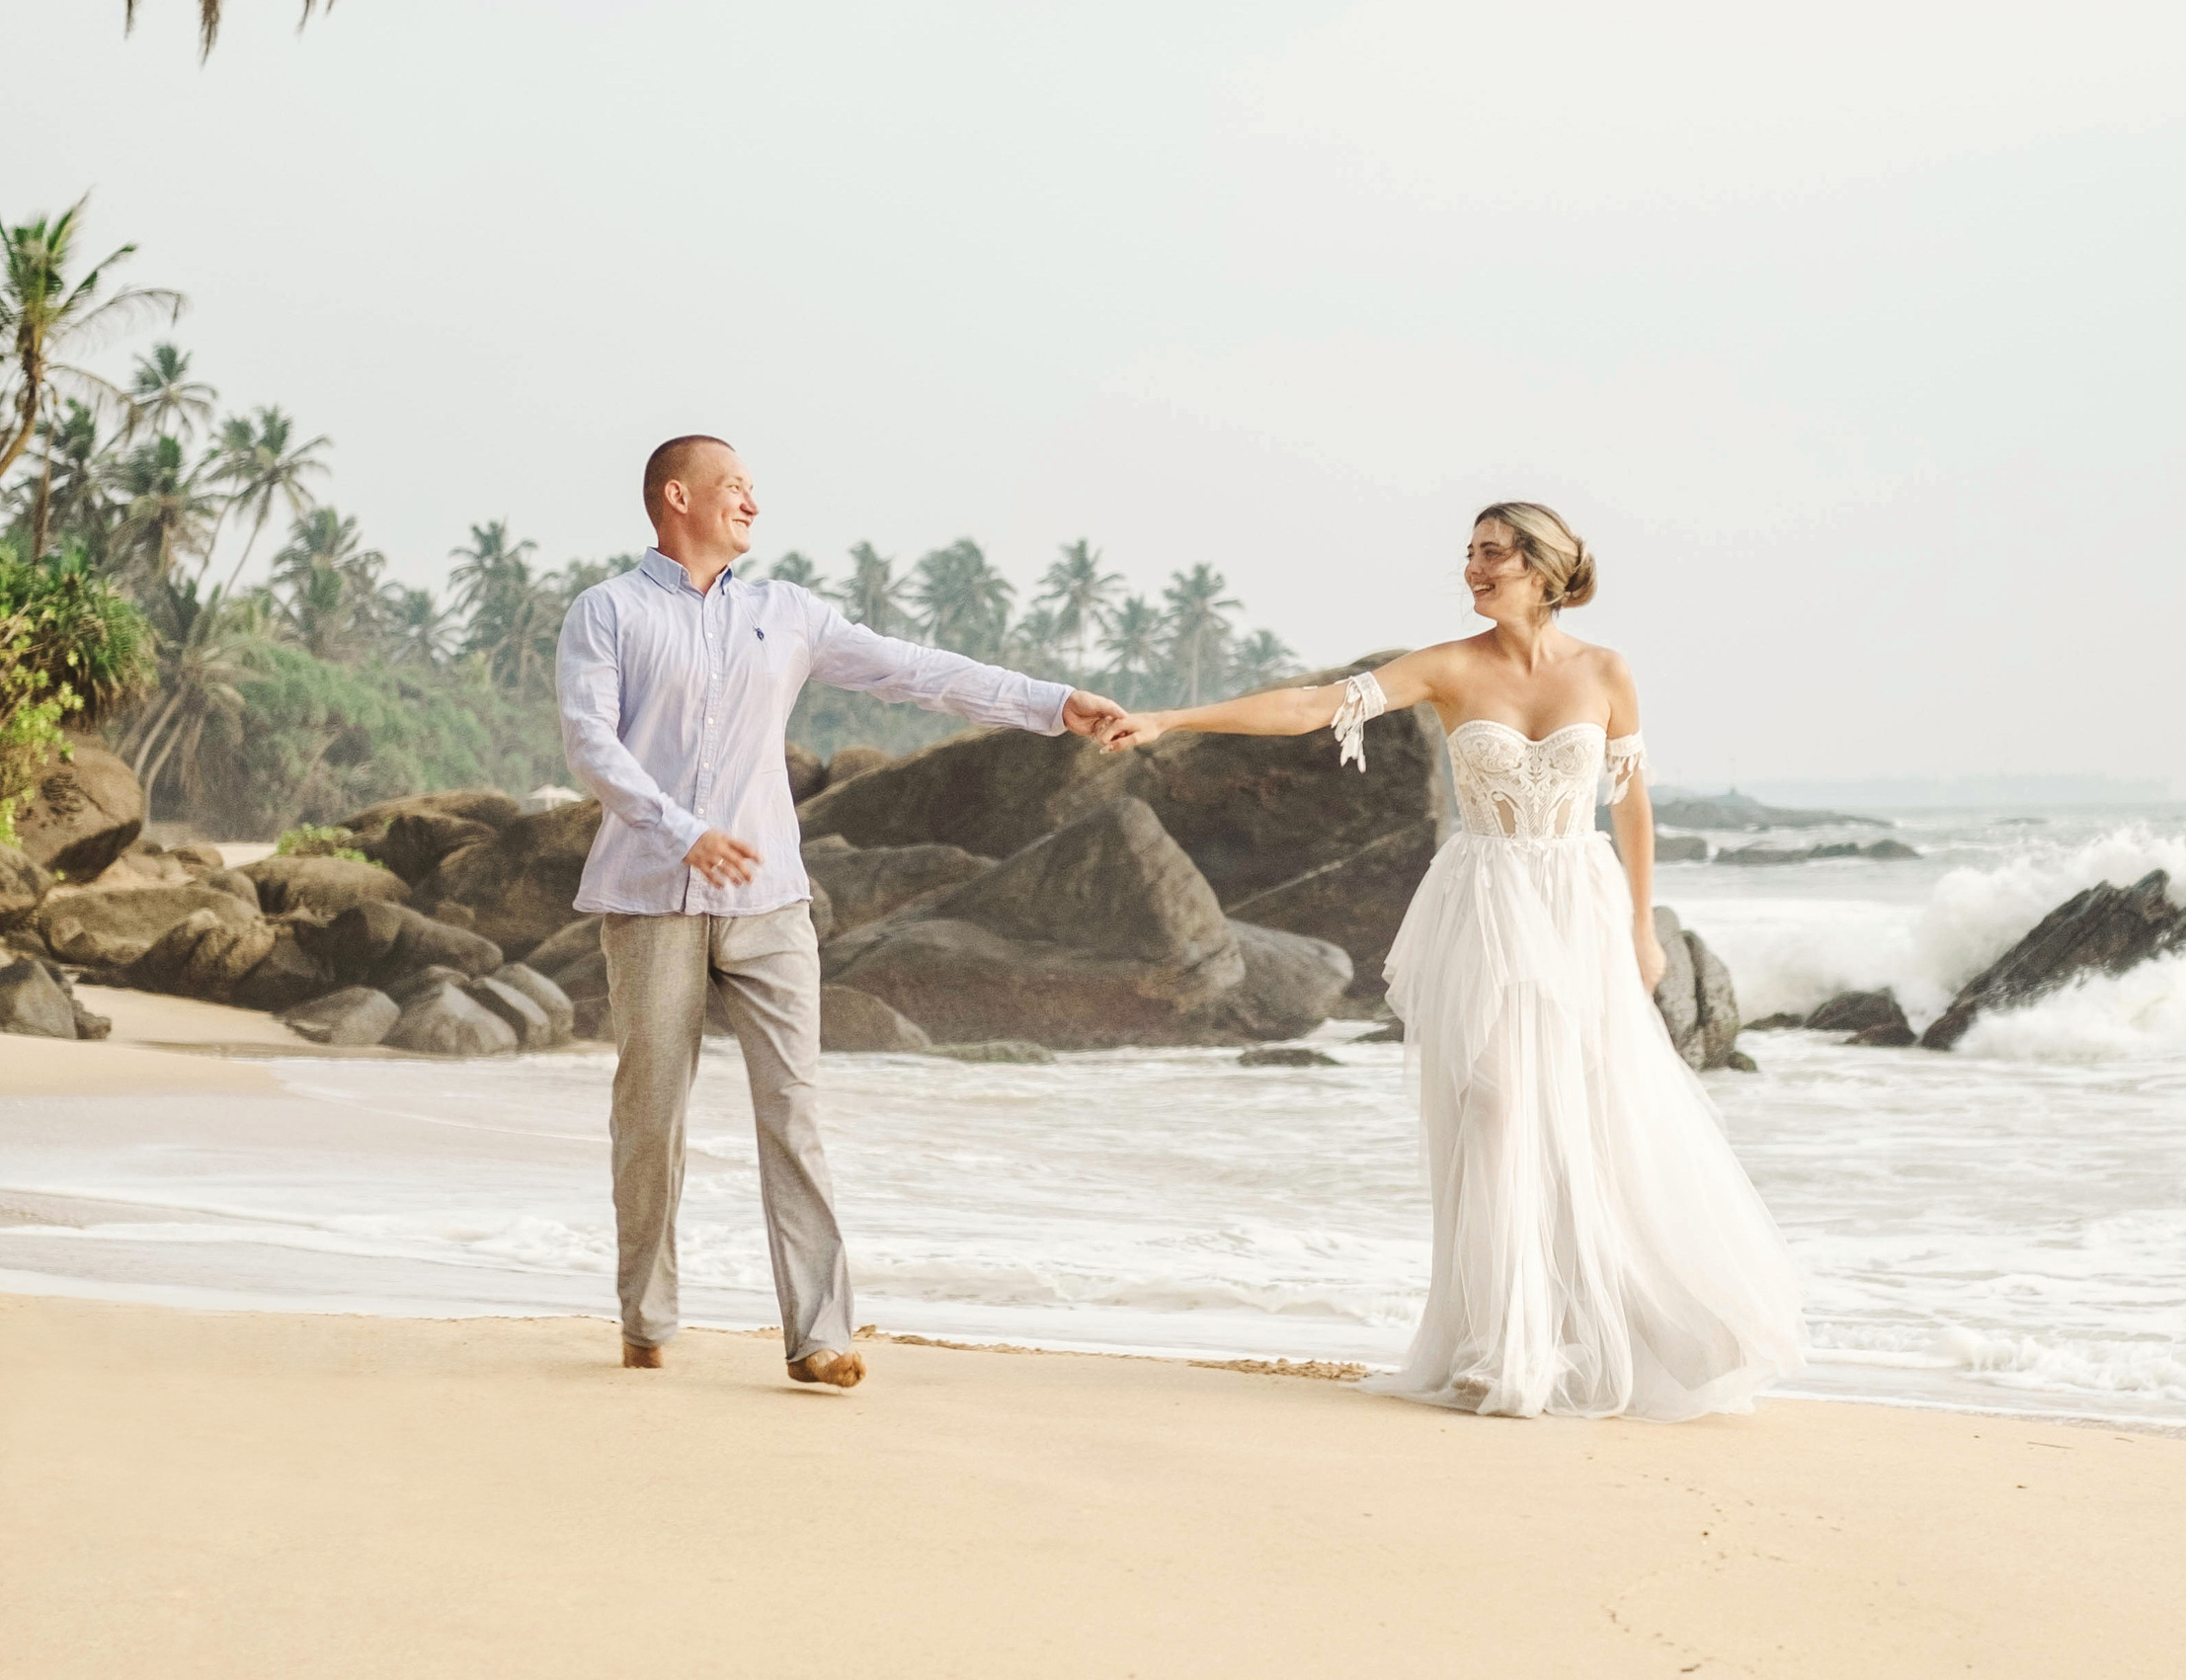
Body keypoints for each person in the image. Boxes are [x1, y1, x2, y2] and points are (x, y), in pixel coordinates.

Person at [1097, 501, 1807, 1420]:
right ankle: (1502, 1341)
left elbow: (1629, 804)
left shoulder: (1607, 671)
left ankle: (1639, 1326)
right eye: (1470, 553)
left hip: (1580, 905)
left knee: (1596, 1114)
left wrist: (1640, 928)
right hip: (1488, 901)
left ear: (1545, 569)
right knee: (1498, 1105)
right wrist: (1170, 719)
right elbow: (1315, 707)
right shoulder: (1448, 668)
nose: (1475, 569)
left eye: (1495, 555)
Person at [556, 436, 1126, 1390]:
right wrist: (679, 828)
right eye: (734, 487)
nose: (752, 503)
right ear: (676, 496)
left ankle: (820, 1337)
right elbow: (588, 745)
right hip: (650, 895)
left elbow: (917, 669)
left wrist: (1051, 702)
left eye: (752, 489)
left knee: (794, 1111)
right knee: (651, 1115)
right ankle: (646, 1317)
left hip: (771, 898)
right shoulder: (606, 612)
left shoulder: (789, 615)